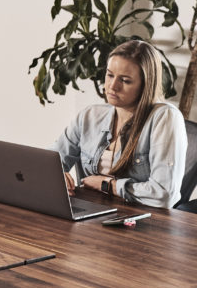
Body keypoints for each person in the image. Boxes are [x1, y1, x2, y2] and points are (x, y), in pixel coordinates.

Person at [53, 39, 187, 209]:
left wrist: (107, 185)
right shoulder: (90, 116)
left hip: (143, 221)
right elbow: (50, 161)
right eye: (110, 75)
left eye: (125, 80)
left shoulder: (165, 117)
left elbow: (164, 194)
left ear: (145, 85)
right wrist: (55, 175)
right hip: (91, 213)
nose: (112, 86)